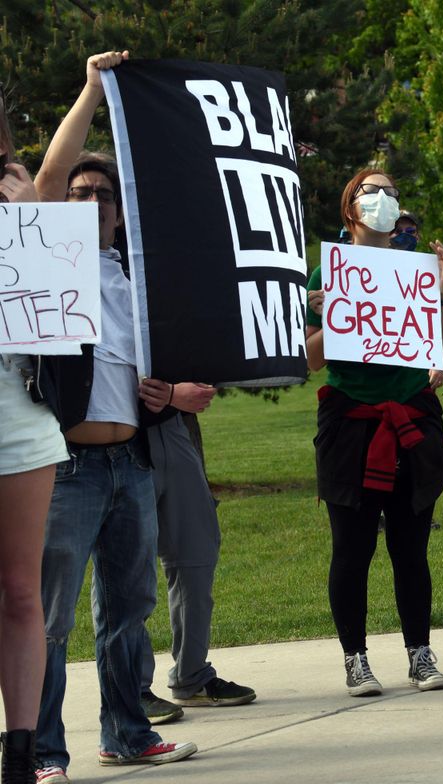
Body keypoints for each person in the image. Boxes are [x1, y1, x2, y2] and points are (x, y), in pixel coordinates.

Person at [30, 52, 196, 782]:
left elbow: (159, 364)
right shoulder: (53, 259)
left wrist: (163, 393)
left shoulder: (139, 273)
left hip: (132, 461)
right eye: (82, 191)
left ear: (121, 207)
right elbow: (43, 180)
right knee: (50, 620)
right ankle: (41, 750)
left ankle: (127, 731)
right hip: (65, 466)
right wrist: (93, 89)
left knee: (128, 610)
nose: (92, 200)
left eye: (105, 193)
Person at [305, 169, 443, 696]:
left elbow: (442, 344)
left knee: (411, 547)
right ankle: (356, 659)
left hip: (413, 417)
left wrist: (442, 291)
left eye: (392, 191)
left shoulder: (416, 269)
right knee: (352, 547)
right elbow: (309, 361)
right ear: (351, 209)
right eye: (372, 192)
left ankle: (420, 653)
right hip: (352, 422)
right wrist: (331, 314)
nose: (384, 199)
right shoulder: (325, 273)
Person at [0, 91, 69, 784]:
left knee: (22, 590)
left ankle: (20, 753)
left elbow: (59, 324)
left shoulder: (21, 199)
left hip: (16, 411)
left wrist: (29, 222)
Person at [135, 389, 257, 724]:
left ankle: (193, 677)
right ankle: (132, 691)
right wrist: (171, 392)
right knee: (125, 572)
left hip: (174, 426)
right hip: (118, 435)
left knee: (197, 553)